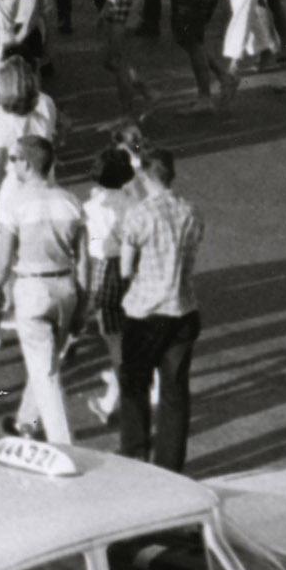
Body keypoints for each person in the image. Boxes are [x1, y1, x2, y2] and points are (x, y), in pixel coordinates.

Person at [97, 139, 203, 468]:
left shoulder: (139, 215)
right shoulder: (191, 211)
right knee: (174, 392)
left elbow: (126, 268)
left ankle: (135, 453)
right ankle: (171, 464)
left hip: (145, 312)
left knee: (135, 385)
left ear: (145, 176)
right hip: (183, 309)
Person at [0, 125, 90, 446]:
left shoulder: (15, 206)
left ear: (28, 164)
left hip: (32, 290)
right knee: (46, 362)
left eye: (15, 158)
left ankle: (63, 444)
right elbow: (85, 262)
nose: (11, 164)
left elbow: (3, 261)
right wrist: (83, 305)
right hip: (66, 288)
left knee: (46, 373)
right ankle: (26, 423)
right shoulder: (72, 202)